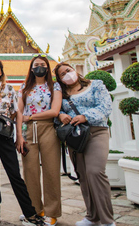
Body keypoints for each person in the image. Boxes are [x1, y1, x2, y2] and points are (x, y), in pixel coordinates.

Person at [0, 58, 44, 226]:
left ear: (1, 71)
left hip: (3, 132)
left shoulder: (9, 89)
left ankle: (30, 213)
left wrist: (19, 135)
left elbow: (17, 113)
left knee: (14, 174)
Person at [54, 63, 114, 226]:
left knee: (95, 172)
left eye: (68, 70)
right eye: (62, 74)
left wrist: (85, 117)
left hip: (96, 131)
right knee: (83, 175)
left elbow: (106, 106)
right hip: (75, 136)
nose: (67, 74)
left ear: (75, 70)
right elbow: (55, 111)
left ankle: (107, 220)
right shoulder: (62, 94)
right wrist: (60, 115)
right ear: (59, 80)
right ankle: (92, 216)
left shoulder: (95, 85)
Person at [18, 54, 62, 226]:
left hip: (48, 128)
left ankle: (52, 212)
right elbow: (19, 112)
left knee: (51, 170)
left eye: (43, 64)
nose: (39, 67)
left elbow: (55, 111)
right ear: (31, 68)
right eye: (36, 64)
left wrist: (32, 116)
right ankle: (34, 210)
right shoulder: (24, 87)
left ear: (47, 68)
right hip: (28, 131)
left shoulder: (54, 86)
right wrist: (20, 135)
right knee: (30, 171)